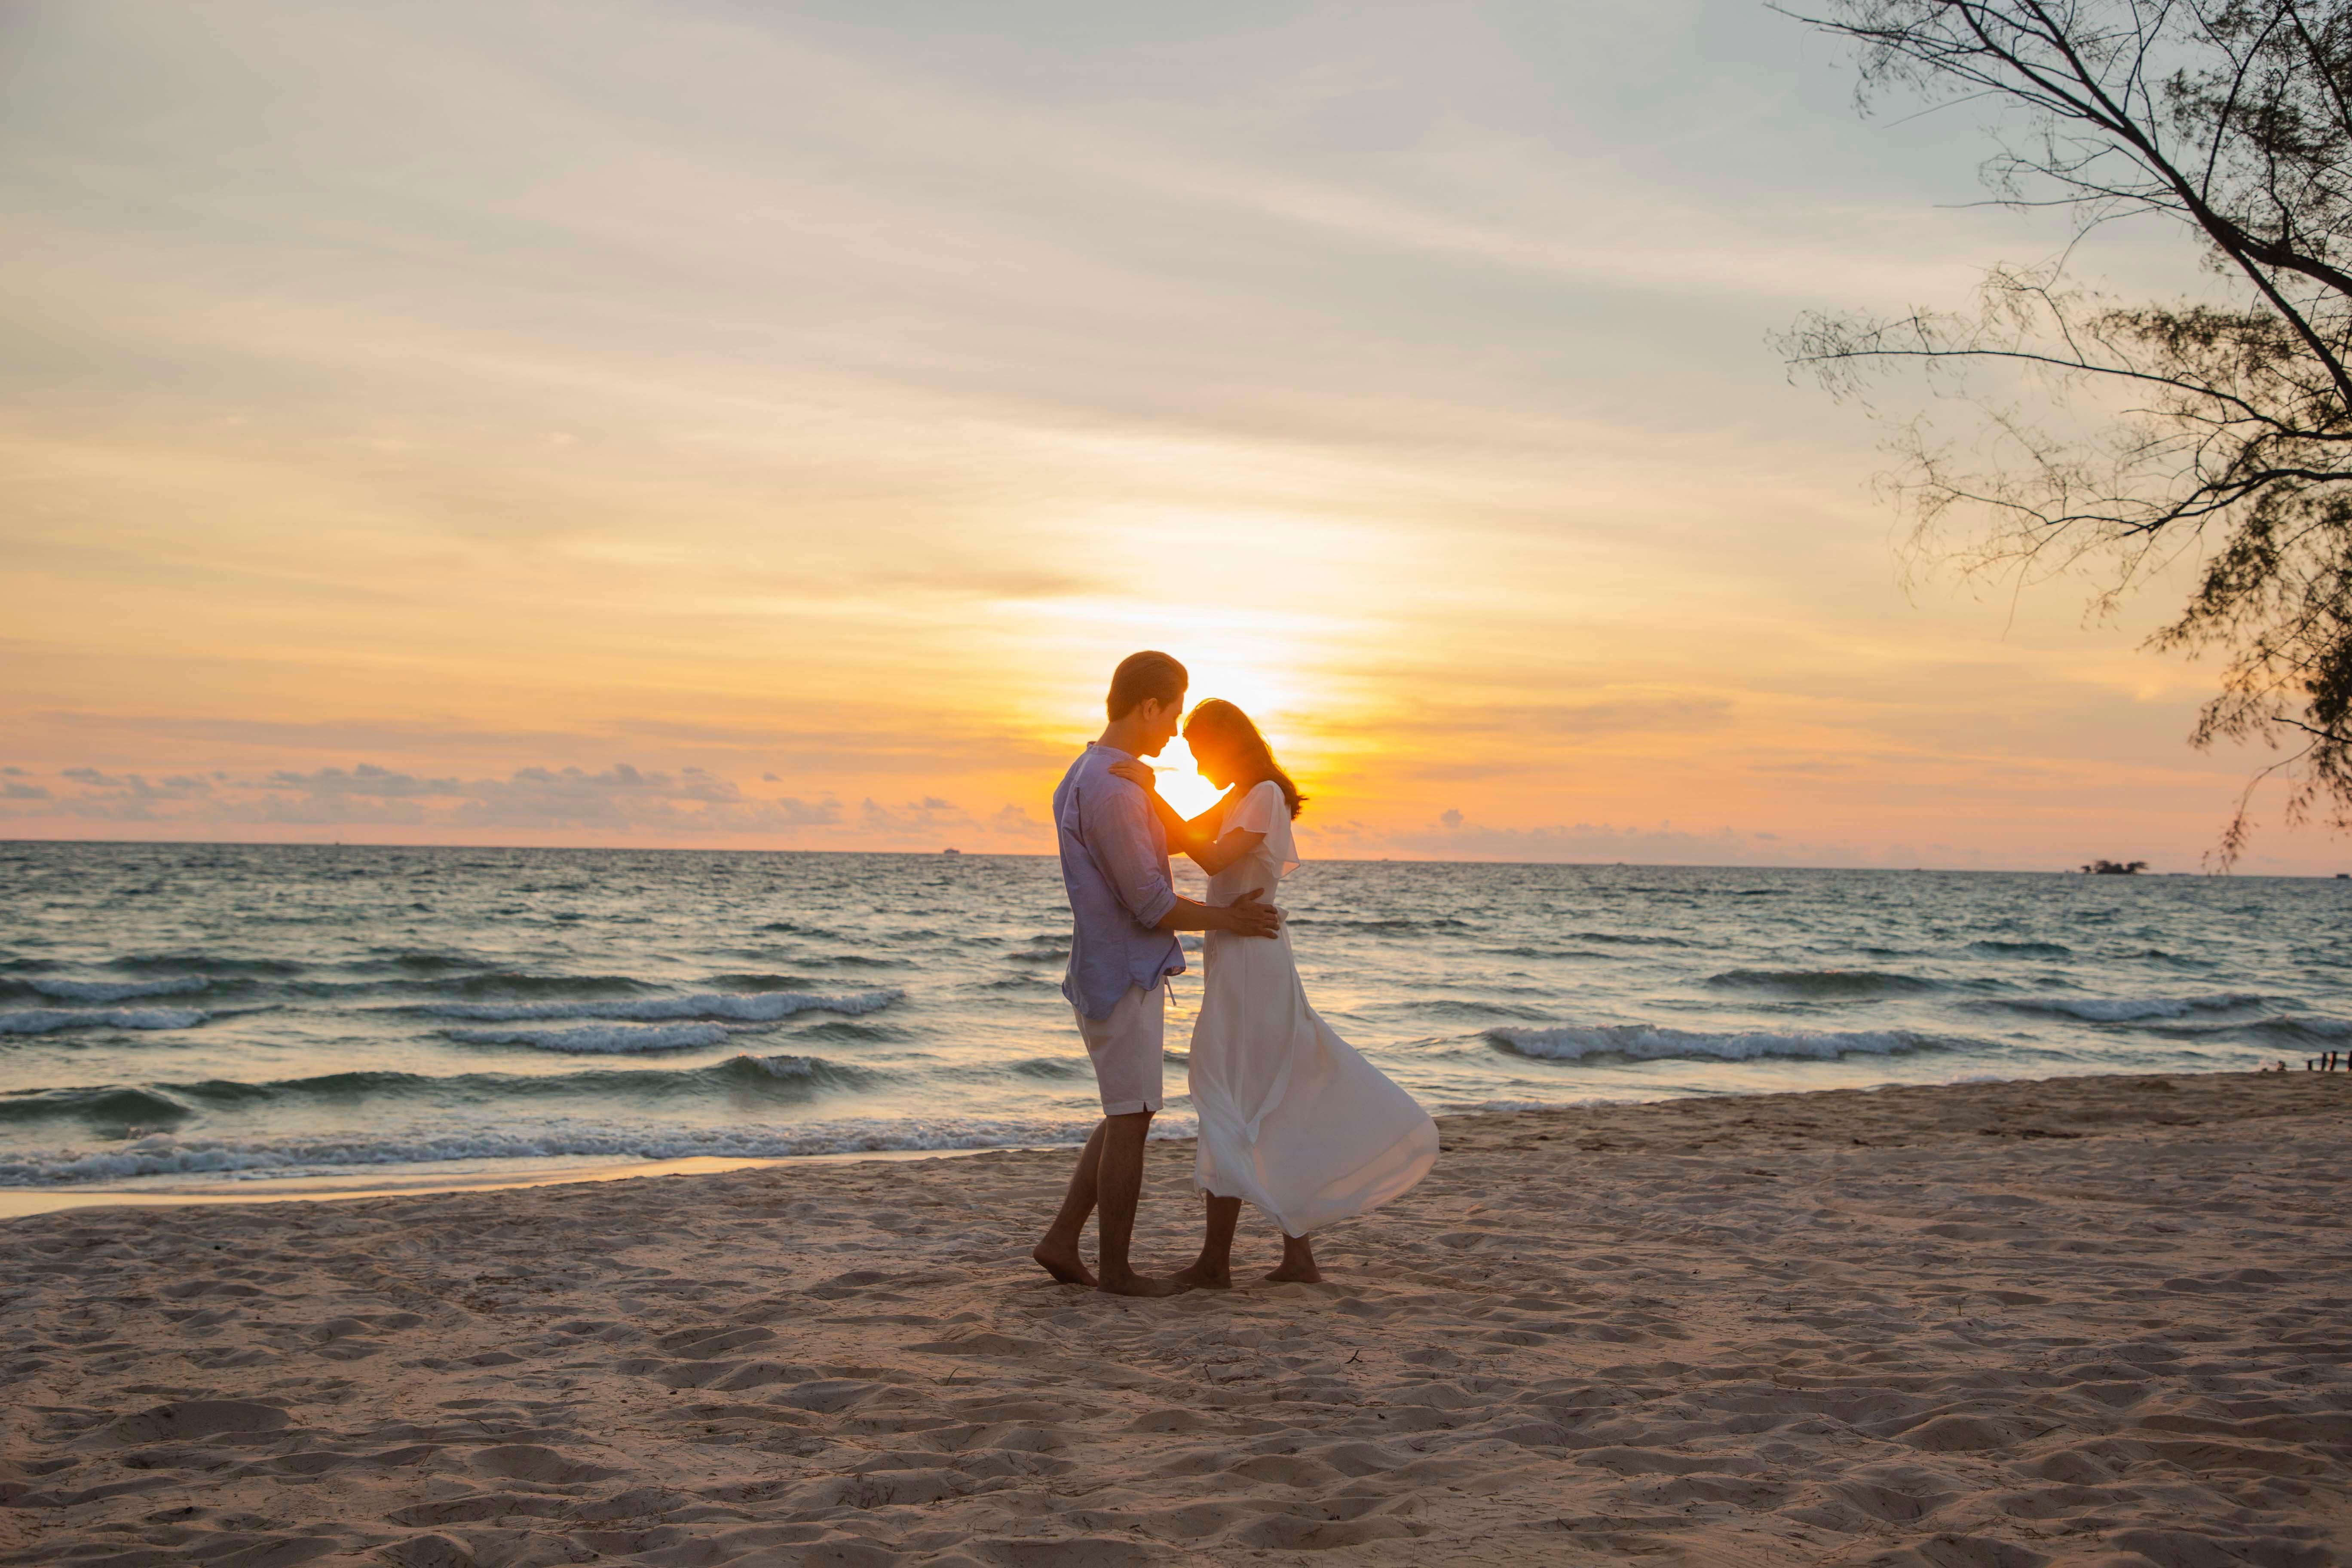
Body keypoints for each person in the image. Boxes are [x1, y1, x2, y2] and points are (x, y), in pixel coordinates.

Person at [1112, 699, 1437, 1286]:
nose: (1194, 761)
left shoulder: (1261, 792)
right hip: (1238, 959)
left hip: (1252, 967)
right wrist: (1145, 795)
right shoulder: (1243, 794)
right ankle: (1296, 1258)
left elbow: (1210, 853)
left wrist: (1150, 789)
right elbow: (1182, 836)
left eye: (1198, 750)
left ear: (1226, 743)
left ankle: (1217, 1264)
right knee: (1255, 1097)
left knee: (1226, 1093)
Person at [1033, 652, 1286, 1296]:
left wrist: (1154, 793)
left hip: (1109, 968)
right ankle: (1116, 1271)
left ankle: (1062, 1241)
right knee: (1131, 1117)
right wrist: (1233, 919)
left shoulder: (1094, 774)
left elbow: (1170, 845)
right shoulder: (1115, 787)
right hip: (1122, 973)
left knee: (1126, 1111)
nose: (1174, 732)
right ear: (1148, 706)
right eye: (1172, 715)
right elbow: (1151, 905)